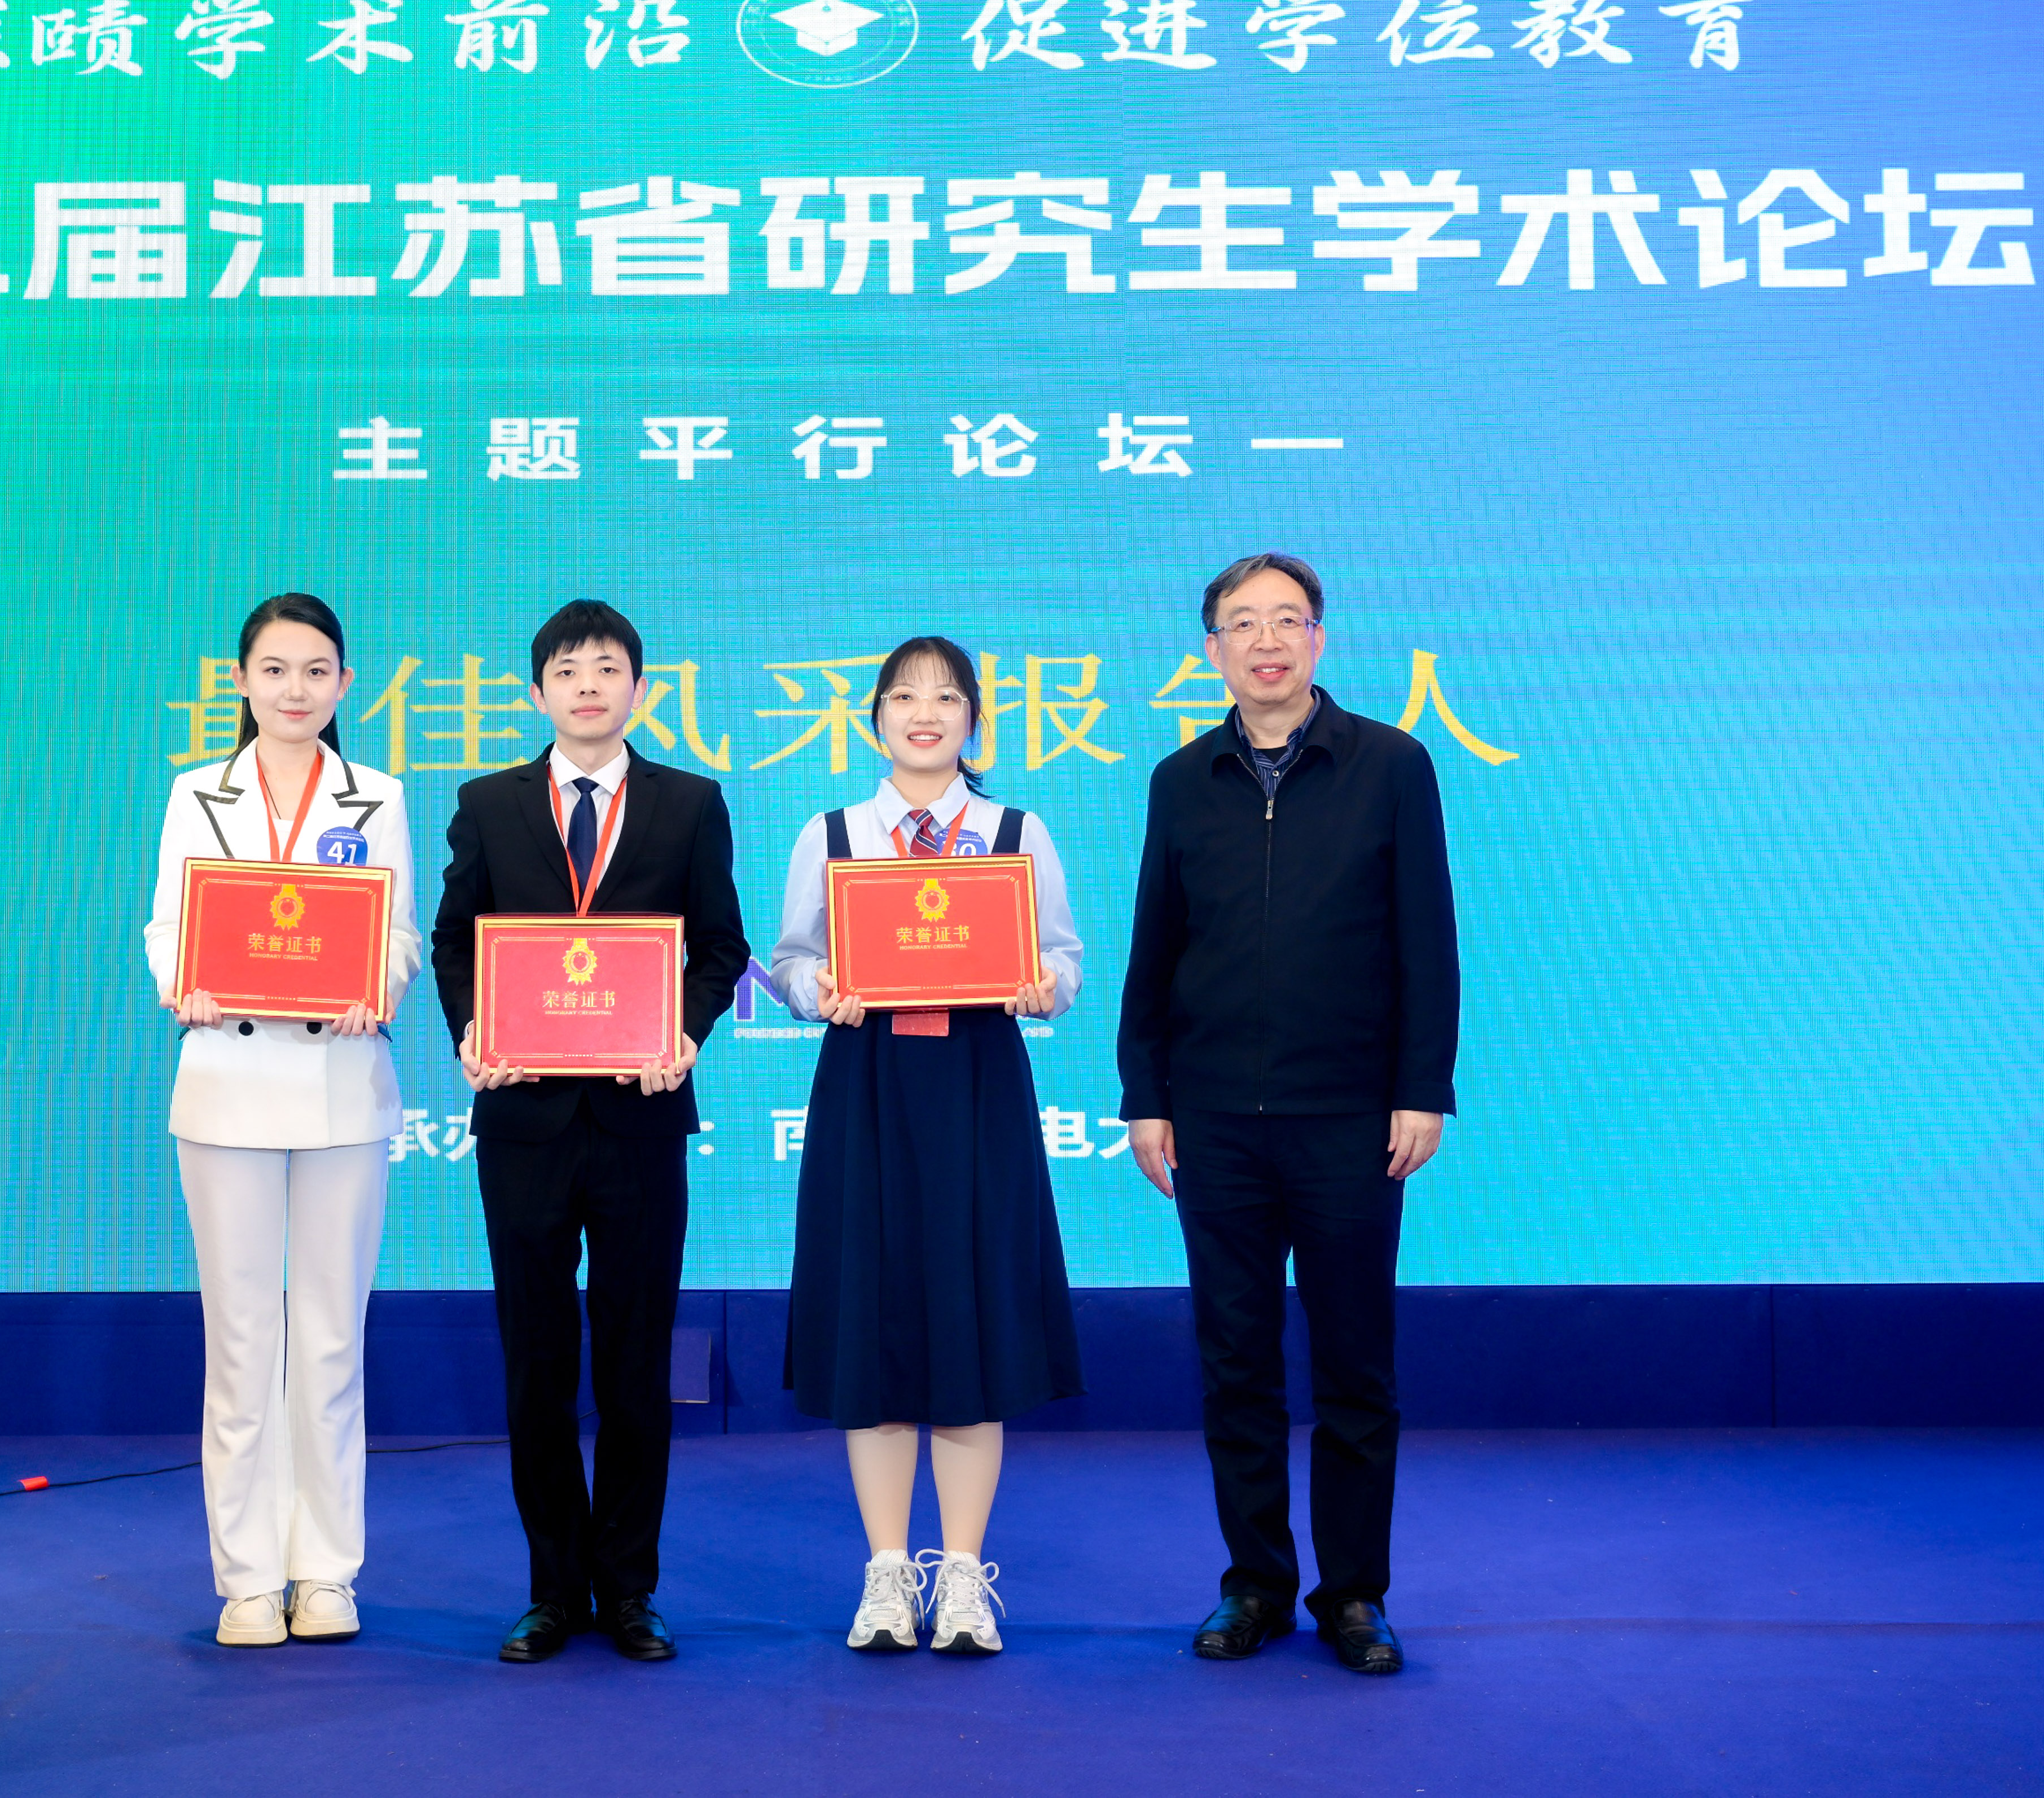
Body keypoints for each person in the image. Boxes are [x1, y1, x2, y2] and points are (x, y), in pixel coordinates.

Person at [1117, 553, 1460, 1677]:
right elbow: (1155, 947)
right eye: (1242, 622)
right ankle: (1255, 1583)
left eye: (1286, 619)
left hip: (1350, 1116)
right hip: (1215, 1117)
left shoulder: (1391, 764)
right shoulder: (1181, 779)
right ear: (1212, 648)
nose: (1265, 640)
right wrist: (1145, 1094)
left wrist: (1422, 1085)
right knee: (1236, 1363)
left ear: (1319, 639)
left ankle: (1354, 1593)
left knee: (1356, 1367)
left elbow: (1427, 937)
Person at [430, 599, 751, 1664]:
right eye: (567, 670)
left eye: (607, 668)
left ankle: (629, 1589)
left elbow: (720, 947)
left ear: (639, 690)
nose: (587, 686)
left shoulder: (689, 803)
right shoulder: (488, 803)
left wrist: (685, 1034)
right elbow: (455, 943)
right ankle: (552, 1590)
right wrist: (473, 1031)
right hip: (523, 1116)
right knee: (535, 1360)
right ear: (538, 692)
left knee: (633, 1359)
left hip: (639, 1114)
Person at [767, 637, 1085, 1657]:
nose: (925, 713)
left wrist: (1046, 986)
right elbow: (791, 961)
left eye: (947, 697)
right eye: (905, 696)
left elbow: (1064, 958)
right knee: (874, 1319)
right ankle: (884, 1572)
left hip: (978, 1088)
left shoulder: (1014, 832)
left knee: (972, 1317)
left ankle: (961, 1576)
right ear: (874, 718)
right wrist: (819, 988)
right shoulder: (833, 833)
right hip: (866, 1087)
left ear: (973, 720)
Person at [143, 591, 422, 1649]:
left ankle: (329, 1570)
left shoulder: (378, 795)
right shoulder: (196, 793)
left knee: (333, 1340)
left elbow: (398, 932)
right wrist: (183, 982)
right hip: (226, 1081)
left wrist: (376, 986)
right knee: (243, 1341)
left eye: (315, 671)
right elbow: (169, 924)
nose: (295, 689)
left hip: (341, 1085)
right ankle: (250, 1576)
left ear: (345, 684)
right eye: (274, 669)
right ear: (242, 680)